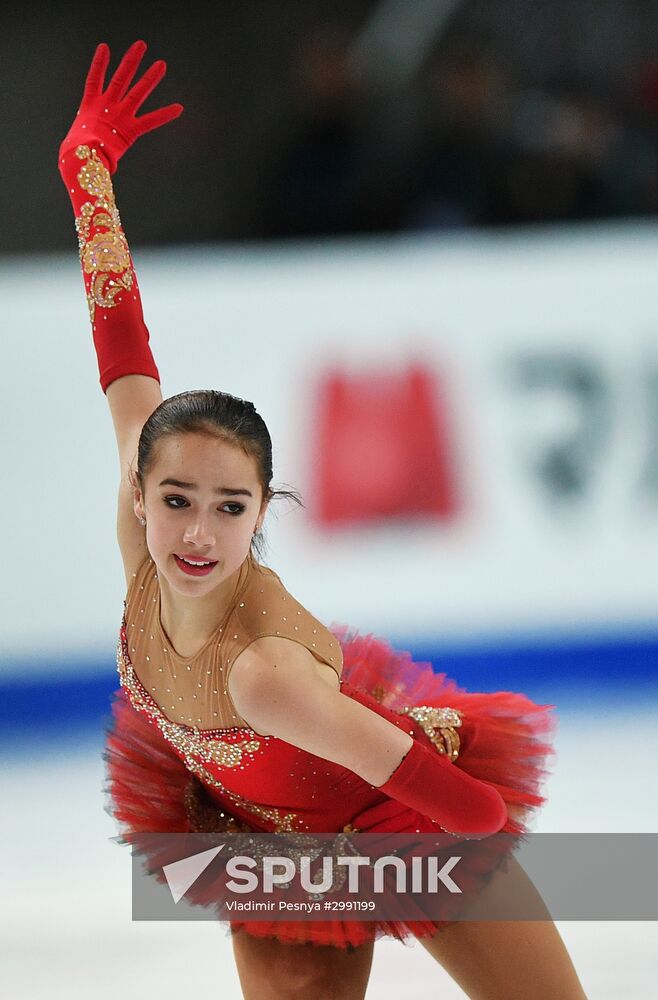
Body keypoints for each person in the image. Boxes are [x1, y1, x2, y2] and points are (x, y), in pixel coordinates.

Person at [58, 40, 588, 1000]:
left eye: (230, 508)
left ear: (263, 511)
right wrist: (85, 172)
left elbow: (468, 813)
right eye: (176, 500)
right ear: (139, 493)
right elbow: (122, 345)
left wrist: (414, 758)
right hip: (265, 837)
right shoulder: (140, 544)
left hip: (400, 831)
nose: (197, 534)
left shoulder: (265, 674)